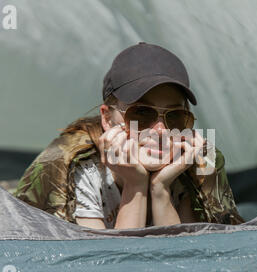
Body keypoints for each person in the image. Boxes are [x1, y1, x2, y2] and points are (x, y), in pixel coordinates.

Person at [14, 42, 244, 229]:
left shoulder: (193, 162)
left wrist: (160, 189)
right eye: (142, 113)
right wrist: (135, 185)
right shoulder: (78, 171)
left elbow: (187, 267)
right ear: (107, 118)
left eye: (175, 116)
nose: (161, 130)